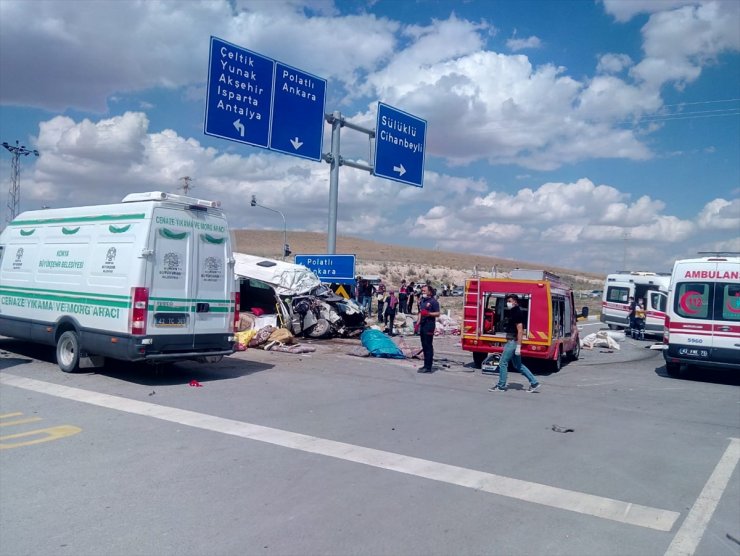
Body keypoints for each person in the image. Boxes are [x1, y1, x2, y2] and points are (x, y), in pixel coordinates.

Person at [488, 294, 540, 392]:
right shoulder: (513, 311)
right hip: (513, 341)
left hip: (513, 342)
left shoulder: (517, 312)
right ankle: (534, 382)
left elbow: (520, 330)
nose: (508, 303)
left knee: (503, 363)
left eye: (510, 301)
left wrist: (518, 347)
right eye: (507, 301)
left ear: (515, 302)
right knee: (518, 365)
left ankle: (501, 386)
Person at [416, 284, 441, 373]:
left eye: (424, 291)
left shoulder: (434, 302)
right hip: (423, 325)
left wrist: (429, 314)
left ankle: (428, 367)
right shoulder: (422, 301)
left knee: (428, 346)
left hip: (429, 326)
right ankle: (425, 365)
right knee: (424, 345)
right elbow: (420, 312)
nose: (422, 293)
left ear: (429, 292)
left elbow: (438, 313)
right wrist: (417, 324)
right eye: (422, 291)